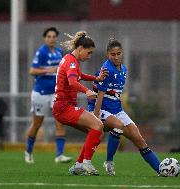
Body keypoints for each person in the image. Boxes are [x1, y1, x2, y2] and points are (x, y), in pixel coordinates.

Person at [88, 38, 161, 176]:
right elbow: (100, 95)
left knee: (139, 139)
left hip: (117, 110)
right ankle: (108, 162)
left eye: (118, 53)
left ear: (122, 53)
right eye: (113, 54)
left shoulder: (123, 70)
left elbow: (115, 94)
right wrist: (95, 117)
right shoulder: (106, 70)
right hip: (101, 109)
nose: (116, 57)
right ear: (107, 55)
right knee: (117, 126)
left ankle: (161, 170)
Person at [52, 31, 109, 176]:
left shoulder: (70, 60)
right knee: (98, 125)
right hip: (64, 107)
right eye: (88, 52)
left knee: (97, 132)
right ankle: (87, 163)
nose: (89, 56)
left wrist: (97, 78)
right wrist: (87, 91)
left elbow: (80, 76)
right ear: (80, 48)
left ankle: (78, 165)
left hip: (63, 107)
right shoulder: (71, 61)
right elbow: (72, 81)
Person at [25, 27, 71, 164]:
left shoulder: (58, 52)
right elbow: (32, 70)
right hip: (41, 93)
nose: (51, 38)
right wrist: (49, 70)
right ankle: (28, 151)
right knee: (37, 124)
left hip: (55, 94)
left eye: (53, 36)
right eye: (49, 36)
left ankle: (59, 155)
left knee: (60, 122)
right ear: (45, 38)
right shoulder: (42, 52)